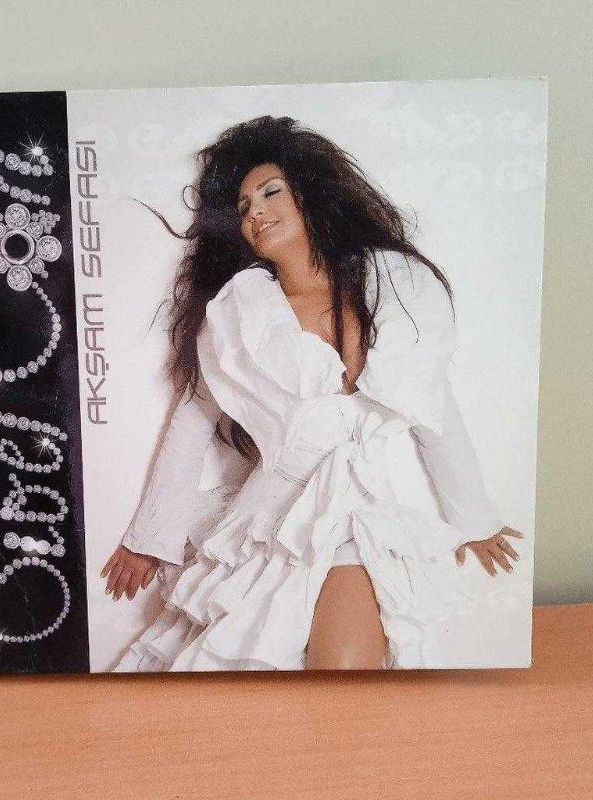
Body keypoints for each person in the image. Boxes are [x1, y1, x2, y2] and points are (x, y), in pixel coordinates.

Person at [100, 115, 524, 671]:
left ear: (311, 194)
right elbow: (193, 421)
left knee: (342, 672)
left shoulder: (394, 290)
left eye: (270, 192)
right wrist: (150, 537)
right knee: (239, 665)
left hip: (360, 507)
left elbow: (433, 408)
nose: (255, 212)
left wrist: (474, 518)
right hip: (270, 516)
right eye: (243, 206)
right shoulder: (238, 312)